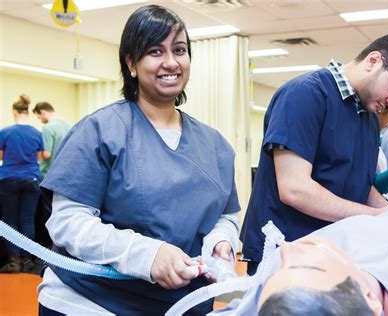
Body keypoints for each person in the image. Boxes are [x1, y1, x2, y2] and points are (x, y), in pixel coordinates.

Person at [37, 5, 240, 315]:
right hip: (93, 300)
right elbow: (68, 223)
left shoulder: (214, 145)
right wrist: (145, 254)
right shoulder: (101, 131)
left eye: (180, 50)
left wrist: (220, 241)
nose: (171, 62)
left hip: (182, 303)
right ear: (131, 63)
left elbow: (224, 215)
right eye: (155, 51)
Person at [240, 32, 388, 274]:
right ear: (373, 61)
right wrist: (375, 215)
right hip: (286, 252)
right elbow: (294, 189)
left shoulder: (368, 117)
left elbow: (361, 185)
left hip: (330, 249)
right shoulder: (305, 95)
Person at [210, 204, 388, 315]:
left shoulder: (281, 295)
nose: (289, 249)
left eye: (279, 270)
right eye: (309, 264)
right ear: (370, 300)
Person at [0, 94, 44, 273]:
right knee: (27, 220)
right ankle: (27, 260)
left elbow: (1, 156)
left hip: (8, 179)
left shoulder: (6, 132)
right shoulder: (37, 133)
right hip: (32, 179)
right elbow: (39, 157)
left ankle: (14, 261)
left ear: (14, 112)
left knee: (10, 221)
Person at [32, 102, 71, 178]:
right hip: (65, 171)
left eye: (39, 117)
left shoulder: (47, 128)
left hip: (49, 174)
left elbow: (46, 154)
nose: (40, 121)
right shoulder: (68, 125)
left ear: (42, 112)